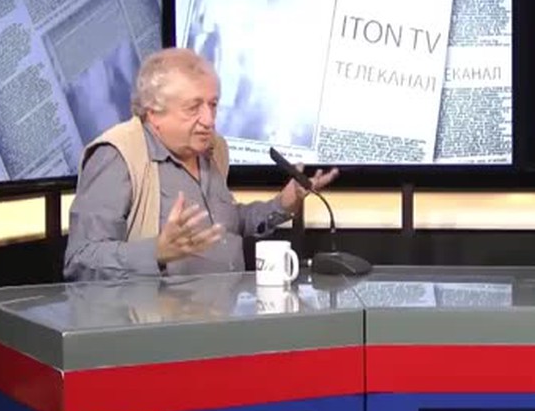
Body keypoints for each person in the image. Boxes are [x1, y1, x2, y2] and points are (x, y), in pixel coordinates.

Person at [64, 48, 338, 281]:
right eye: (193, 107)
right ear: (154, 112)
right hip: (156, 323)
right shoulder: (118, 155)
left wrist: (283, 204)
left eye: (213, 105)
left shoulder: (214, 149)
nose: (208, 120)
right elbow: (80, 260)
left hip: (227, 317)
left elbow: (226, 224)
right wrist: (156, 252)